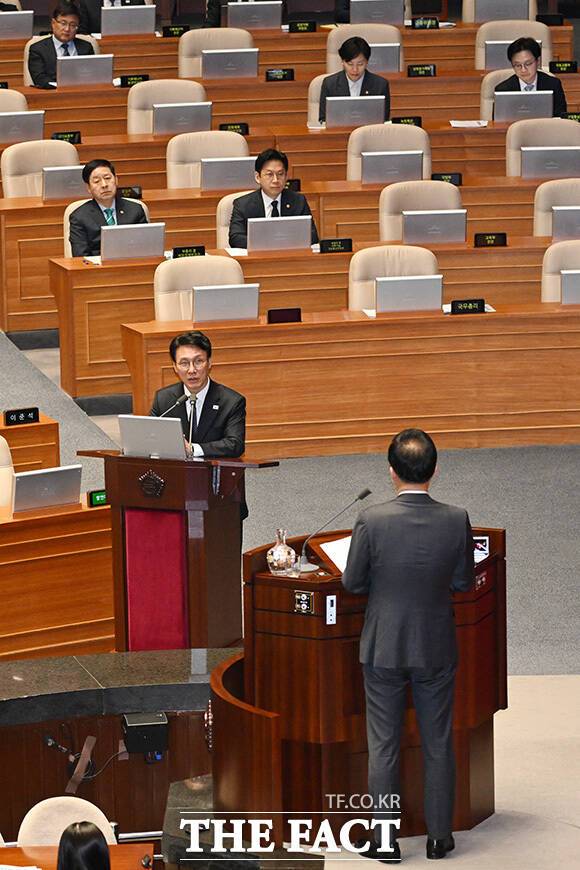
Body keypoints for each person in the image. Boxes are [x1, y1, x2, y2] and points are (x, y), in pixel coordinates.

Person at [342, 429, 474, 863]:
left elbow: (354, 582)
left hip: (383, 648)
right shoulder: (457, 518)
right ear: (434, 471)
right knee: (438, 741)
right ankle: (439, 838)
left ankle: (384, 841)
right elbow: (462, 581)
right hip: (436, 646)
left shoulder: (372, 519)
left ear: (391, 471)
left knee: (383, 745)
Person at [150, 330, 246, 459]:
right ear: (175, 367)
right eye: (184, 363)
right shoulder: (164, 399)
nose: (191, 370)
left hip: (214, 473)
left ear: (209, 362)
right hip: (176, 473)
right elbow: (151, 436)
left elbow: (235, 444)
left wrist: (193, 449)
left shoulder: (231, 401)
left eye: (198, 361)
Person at [228, 148, 319, 249]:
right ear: (257, 177)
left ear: (286, 176)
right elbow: (235, 238)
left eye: (280, 174)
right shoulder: (243, 204)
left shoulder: (298, 201)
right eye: (269, 174)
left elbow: (312, 236)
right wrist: (270, 243)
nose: (276, 180)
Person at [69, 159, 148, 257]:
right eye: (96, 181)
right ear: (88, 188)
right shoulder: (79, 217)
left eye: (107, 178)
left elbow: (146, 246)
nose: (104, 185)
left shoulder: (135, 210)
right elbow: (80, 256)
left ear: (116, 180)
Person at [319, 36, 390, 125]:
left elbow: (384, 120)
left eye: (360, 64)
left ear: (367, 62)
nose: (355, 69)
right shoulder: (329, 84)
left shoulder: (380, 85)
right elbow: (323, 119)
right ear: (342, 62)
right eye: (350, 64)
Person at [494, 36, 567, 117]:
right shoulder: (503, 90)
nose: (523, 70)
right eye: (517, 65)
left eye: (528, 64)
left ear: (538, 61)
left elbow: (561, 118)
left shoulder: (553, 85)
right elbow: (497, 122)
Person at [28, 2, 95, 90]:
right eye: (63, 23)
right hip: (52, 95)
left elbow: (92, 75)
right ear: (53, 23)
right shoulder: (38, 49)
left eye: (73, 25)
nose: (67, 29)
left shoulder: (86, 47)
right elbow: (40, 79)